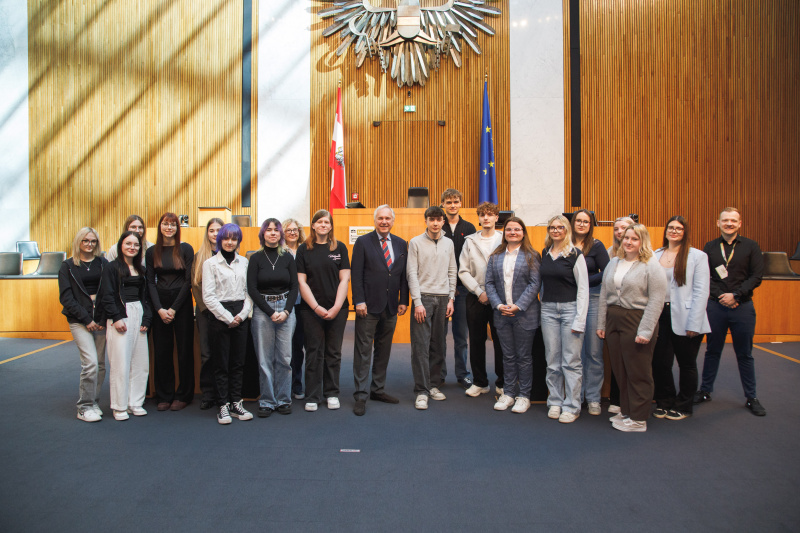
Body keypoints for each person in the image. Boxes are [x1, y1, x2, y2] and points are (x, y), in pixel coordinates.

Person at [597, 224, 668, 432]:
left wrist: (646, 330)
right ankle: (627, 411)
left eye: (634, 239)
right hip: (613, 319)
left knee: (638, 371)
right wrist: (602, 323)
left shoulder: (651, 265)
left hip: (636, 319)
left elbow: (656, 300)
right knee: (620, 370)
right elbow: (604, 294)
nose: (628, 242)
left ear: (643, 241)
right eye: (626, 238)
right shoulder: (614, 262)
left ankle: (638, 419)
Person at [695, 207, 766, 416]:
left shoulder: (751, 246)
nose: (729, 224)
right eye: (725, 220)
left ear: (739, 224)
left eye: (733, 221)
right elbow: (705, 276)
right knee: (712, 351)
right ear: (718, 223)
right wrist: (721, 296)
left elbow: (756, 276)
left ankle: (751, 397)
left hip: (742, 307)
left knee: (745, 354)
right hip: (716, 306)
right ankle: (705, 391)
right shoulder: (710, 247)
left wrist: (736, 295)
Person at [350, 205, 409, 416]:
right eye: (380, 218)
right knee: (363, 351)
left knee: (383, 350)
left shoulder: (401, 244)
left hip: (391, 306)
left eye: (387, 218)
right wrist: (359, 301)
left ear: (393, 221)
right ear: (375, 220)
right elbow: (356, 275)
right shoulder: (363, 242)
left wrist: (404, 300)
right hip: (368, 306)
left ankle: (377, 389)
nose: (384, 222)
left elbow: (402, 276)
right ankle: (360, 395)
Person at [652, 216, 711, 420]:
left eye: (679, 228)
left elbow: (701, 292)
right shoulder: (656, 254)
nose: (674, 231)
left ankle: (684, 405)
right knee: (660, 362)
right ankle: (665, 400)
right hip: (660, 314)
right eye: (671, 227)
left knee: (686, 364)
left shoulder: (698, 256)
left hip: (687, 316)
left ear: (685, 232)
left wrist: (695, 322)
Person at [295, 210, 351, 412]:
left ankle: (331, 393)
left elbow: (344, 279)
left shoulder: (339, 247)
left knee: (333, 352)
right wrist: (316, 307)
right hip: (311, 310)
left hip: (338, 309)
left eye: (326, 222)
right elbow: (301, 282)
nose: (323, 225)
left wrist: (336, 307)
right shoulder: (304, 249)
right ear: (313, 225)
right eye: (319, 222)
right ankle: (313, 395)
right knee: (314, 351)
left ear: (331, 226)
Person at [484, 217, 542, 413]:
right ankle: (508, 393)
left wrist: (518, 306)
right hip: (501, 314)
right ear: (504, 233)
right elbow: (489, 283)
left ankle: (524, 396)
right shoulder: (495, 256)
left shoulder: (531, 255)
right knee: (507, 356)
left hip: (525, 315)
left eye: (517, 229)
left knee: (524, 357)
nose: (513, 232)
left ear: (523, 233)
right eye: (509, 229)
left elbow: (535, 284)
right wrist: (498, 305)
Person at [202, 223, 254, 424]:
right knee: (221, 363)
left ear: (238, 241)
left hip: (240, 313)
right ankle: (223, 404)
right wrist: (227, 317)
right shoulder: (210, 264)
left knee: (238, 363)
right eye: (226, 238)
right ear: (219, 240)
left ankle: (236, 402)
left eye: (234, 238)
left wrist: (241, 315)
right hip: (219, 315)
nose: (230, 242)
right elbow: (208, 296)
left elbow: (249, 292)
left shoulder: (244, 262)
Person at [540, 215, 589, 423]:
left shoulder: (575, 255)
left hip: (570, 310)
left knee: (571, 361)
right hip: (548, 311)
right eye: (552, 227)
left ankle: (572, 406)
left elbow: (584, 289)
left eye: (560, 227)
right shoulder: (545, 253)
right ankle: (555, 401)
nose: (556, 230)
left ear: (567, 230)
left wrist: (580, 319)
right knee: (552, 361)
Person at [248, 218, 299, 418]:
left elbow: (294, 287)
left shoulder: (288, 257)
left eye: (276, 230)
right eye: (268, 230)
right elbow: (252, 288)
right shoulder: (255, 258)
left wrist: (286, 311)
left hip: (286, 309)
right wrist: (270, 312)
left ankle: (284, 399)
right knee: (264, 359)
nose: (272, 233)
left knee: (285, 358)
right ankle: (267, 401)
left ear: (280, 234)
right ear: (263, 234)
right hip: (263, 310)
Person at [407, 206, 456, 410]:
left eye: (438, 219)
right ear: (426, 221)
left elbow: (452, 270)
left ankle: (434, 385)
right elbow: (411, 273)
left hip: (443, 299)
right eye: (431, 219)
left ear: (443, 221)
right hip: (424, 299)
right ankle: (421, 390)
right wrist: (417, 302)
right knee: (421, 345)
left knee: (439, 345)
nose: (435, 223)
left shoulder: (449, 243)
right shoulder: (415, 242)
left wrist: (451, 298)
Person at [100, 231, 152, 421]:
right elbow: (107, 295)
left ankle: (135, 402)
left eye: (136, 245)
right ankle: (119, 406)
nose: (132, 247)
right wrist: (116, 317)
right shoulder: (111, 268)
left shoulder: (141, 269)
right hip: (121, 315)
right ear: (121, 245)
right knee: (121, 363)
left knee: (140, 363)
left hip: (139, 312)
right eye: (128, 243)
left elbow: (146, 297)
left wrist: (146, 319)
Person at [145, 212, 195, 411]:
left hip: (181, 304)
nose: (169, 228)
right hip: (160, 305)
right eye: (165, 224)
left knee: (184, 351)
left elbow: (188, 281)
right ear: (160, 227)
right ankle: (164, 395)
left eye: (173, 225)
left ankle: (184, 395)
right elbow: (150, 282)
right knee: (162, 351)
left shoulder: (185, 249)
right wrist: (159, 309)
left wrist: (174, 308)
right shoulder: (152, 252)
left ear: (177, 228)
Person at [59, 227, 108, 422]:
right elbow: (66, 298)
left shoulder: (103, 263)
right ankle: (84, 407)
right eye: (86, 240)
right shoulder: (68, 266)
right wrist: (87, 319)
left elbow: (109, 292)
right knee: (90, 363)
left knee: (101, 365)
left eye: (93, 241)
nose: (89, 244)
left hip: (100, 320)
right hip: (79, 320)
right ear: (78, 242)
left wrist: (101, 319)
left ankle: (94, 402)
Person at [459, 202, 504, 397]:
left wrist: (493, 293)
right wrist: (479, 292)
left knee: (501, 341)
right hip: (476, 296)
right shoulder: (470, 241)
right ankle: (480, 382)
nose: (486, 218)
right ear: (478, 218)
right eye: (483, 215)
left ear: (496, 217)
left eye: (490, 214)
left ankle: (502, 382)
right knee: (476, 341)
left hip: (500, 297)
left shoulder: (504, 239)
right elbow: (463, 270)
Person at [571, 209, 609, 416]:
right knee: (574, 352)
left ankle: (593, 397)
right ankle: (575, 395)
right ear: (572, 223)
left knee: (593, 352)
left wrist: (584, 281)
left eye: (586, 221)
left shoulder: (596, 245)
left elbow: (607, 272)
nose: (582, 224)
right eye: (578, 220)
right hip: (571, 301)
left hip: (593, 299)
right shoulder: (564, 244)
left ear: (590, 225)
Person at [440, 188, 475, 389]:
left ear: (460, 203)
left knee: (461, 336)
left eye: (456, 202)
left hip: (463, 290)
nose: (452, 205)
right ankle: (439, 374)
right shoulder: (438, 225)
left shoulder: (469, 228)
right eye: (449, 202)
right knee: (439, 336)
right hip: (440, 289)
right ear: (443, 204)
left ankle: (462, 374)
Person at [191, 218, 224, 410]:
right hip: (205, 312)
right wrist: (209, 309)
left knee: (223, 353)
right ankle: (208, 393)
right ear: (207, 233)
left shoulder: (231, 254)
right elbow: (196, 286)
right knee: (207, 354)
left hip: (225, 311)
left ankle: (223, 393)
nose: (215, 234)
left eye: (219, 230)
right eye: (212, 230)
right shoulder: (199, 256)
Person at [605, 216, 635, 414]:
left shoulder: (647, 258)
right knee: (616, 359)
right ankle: (618, 399)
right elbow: (605, 287)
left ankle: (633, 406)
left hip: (633, 314)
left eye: (624, 228)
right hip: (613, 312)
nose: (619, 232)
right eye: (616, 228)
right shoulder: (611, 255)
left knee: (633, 361)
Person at [283, 218, 307, 400]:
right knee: (285, 348)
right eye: (288, 230)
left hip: (303, 305)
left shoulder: (305, 250)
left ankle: (297, 384)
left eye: (295, 229)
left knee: (298, 347)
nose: (292, 232)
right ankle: (283, 385)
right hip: (284, 305)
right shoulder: (278, 251)